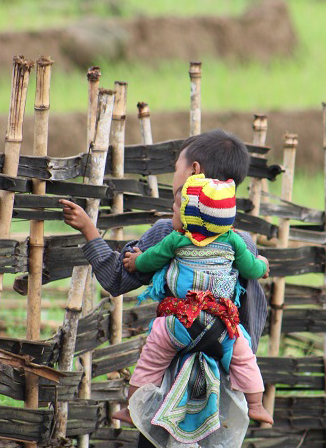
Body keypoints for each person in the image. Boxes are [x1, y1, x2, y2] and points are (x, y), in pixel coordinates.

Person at [60, 129, 269, 448]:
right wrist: (237, 361)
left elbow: (118, 278)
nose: (172, 171)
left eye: (177, 163)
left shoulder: (166, 232)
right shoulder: (240, 242)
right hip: (223, 364)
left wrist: (93, 234)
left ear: (192, 171)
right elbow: (254, 310)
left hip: (170, 367)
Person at [111, 173, 273, 430]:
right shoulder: (233, 241)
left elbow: (150, 260)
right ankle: (256, 405)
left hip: (179, 321)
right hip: (222, 326)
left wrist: (135, 261)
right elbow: (251, 269)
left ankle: (133, 408)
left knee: (152, 358)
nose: (172, 212)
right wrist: (262, 263)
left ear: (190, 216)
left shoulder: (176, 240)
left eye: (176, 208)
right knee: (243, 356)